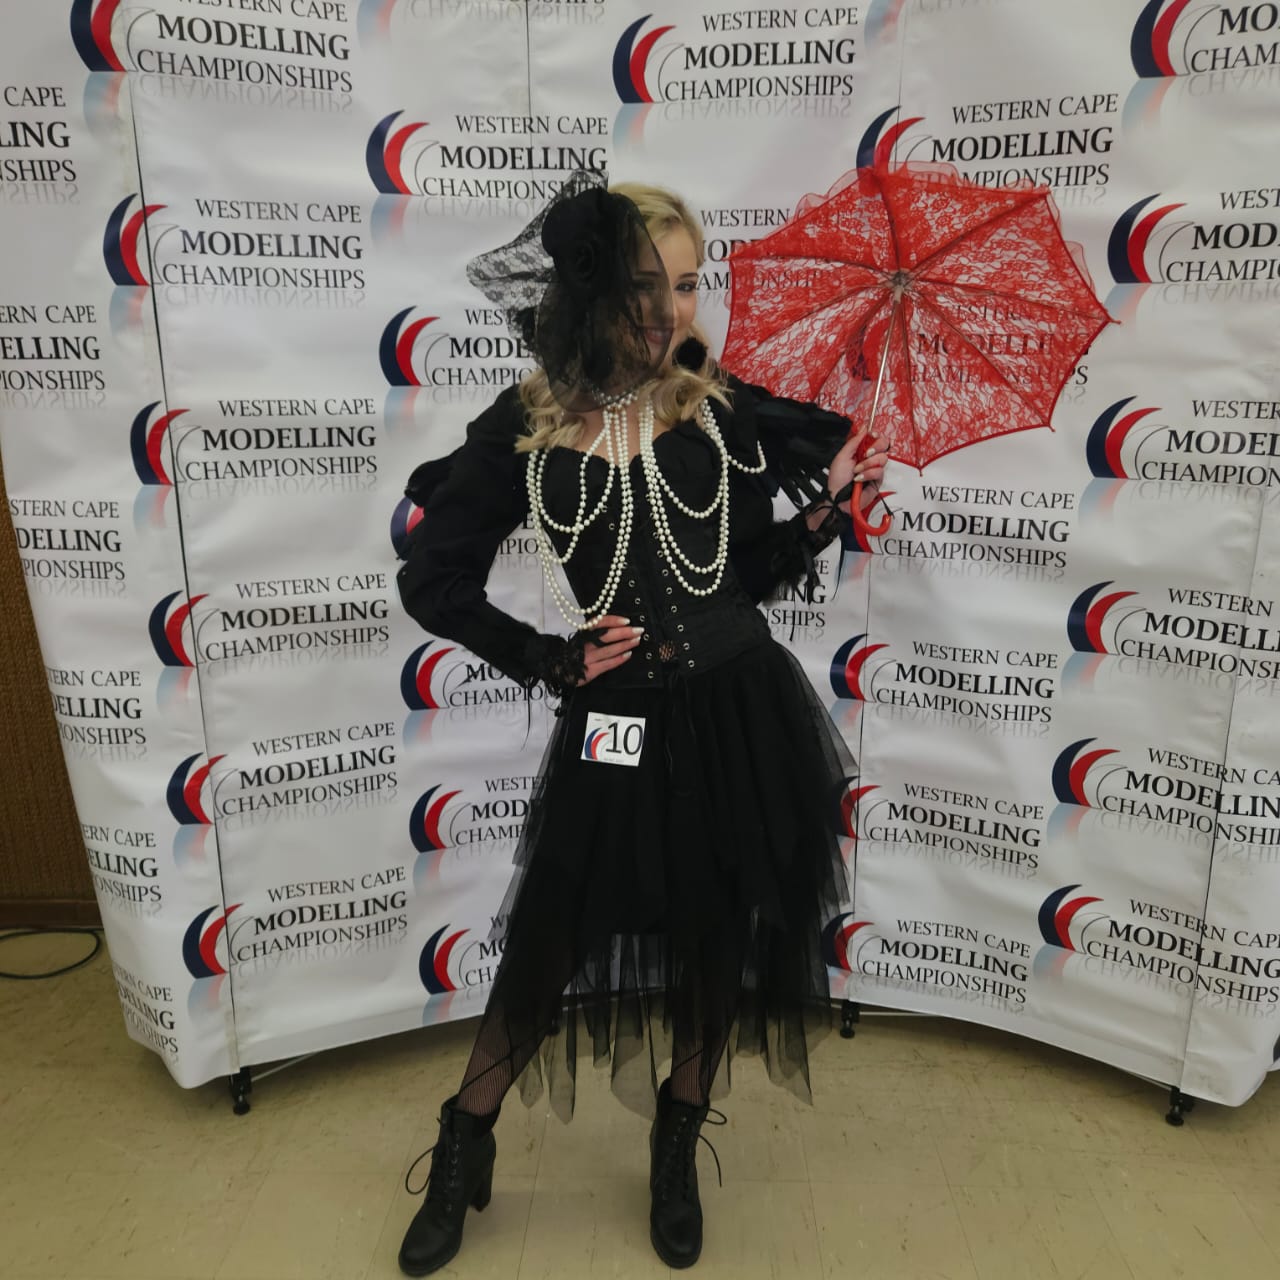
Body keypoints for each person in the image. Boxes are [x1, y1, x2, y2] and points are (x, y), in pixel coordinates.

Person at [393, 172, 888, 1275]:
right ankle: (466, 1135)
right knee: (552, 931)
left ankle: (676, 1137)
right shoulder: (526, 426)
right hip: (614, 719)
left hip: (740, 709)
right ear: (587, 293)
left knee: (719, 929)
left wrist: (821, 513)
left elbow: (739, 578)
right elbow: (431, 577)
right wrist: (549, 655)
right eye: (643, 286)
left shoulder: (718, 406)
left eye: (687, 283)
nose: (669, 311)